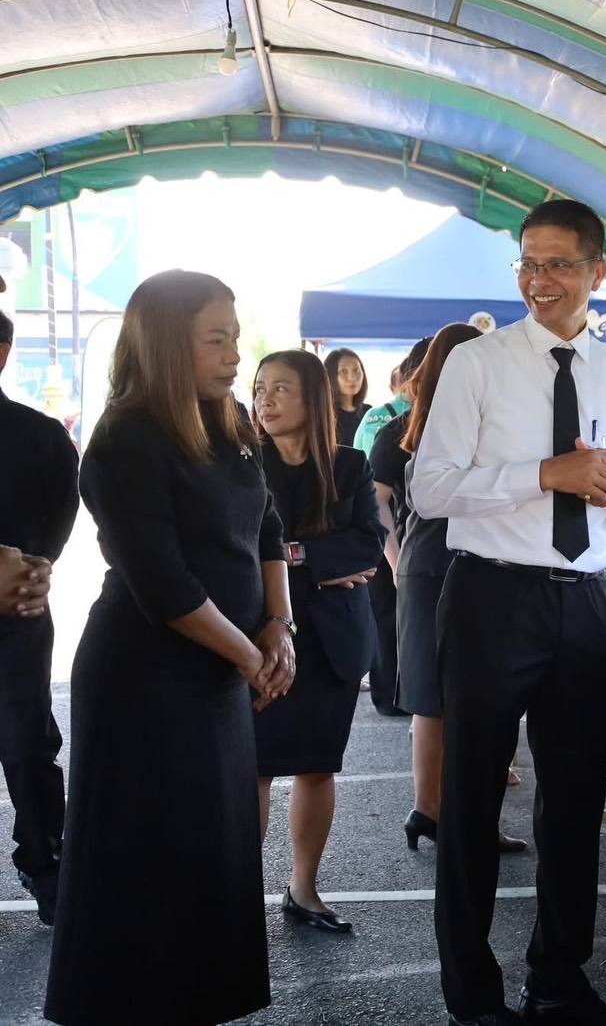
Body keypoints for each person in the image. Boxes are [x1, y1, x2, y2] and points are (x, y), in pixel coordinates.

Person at [409, 200, 606, 1026]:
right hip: (491, 596)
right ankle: (472, 996)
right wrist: (543, 473)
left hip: (585, 601)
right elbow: (431, 488)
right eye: (528, 263)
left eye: (558, 265)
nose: (539, 280)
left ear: (597, 275)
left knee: (574, 801)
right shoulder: (478, 363)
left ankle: (559, 978)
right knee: (473, 799)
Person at [46, 270, 294, 1025]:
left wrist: (278, 627)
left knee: (211, 860)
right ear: (163, 344)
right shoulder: (125, 436)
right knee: (144, 866)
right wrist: (251, 656)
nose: (233, 354)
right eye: (214, 339)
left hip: (219, 675)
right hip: (145, 682)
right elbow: (165, 585)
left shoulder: (230, 425)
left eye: (235, 337)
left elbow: (267, 532)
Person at [368, 323, 528, 855]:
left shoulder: (404, 428)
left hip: (421, 563)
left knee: (431, 701)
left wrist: (395, 561)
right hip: (462, 564)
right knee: (469, 699)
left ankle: (431, 811)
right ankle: (461, 820)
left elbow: (382, 506)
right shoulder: (479, 426)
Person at [251, 350, 386, 934]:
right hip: (258, 637)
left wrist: (288, 555)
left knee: (315, 766)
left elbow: (369, 547)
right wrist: (311, 558)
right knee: (253, 768)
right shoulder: (242, 466)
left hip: (332, 641)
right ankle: (237, 892)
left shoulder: (350, 465)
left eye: (281, 388)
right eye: (260, 388)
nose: (265, 398)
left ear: (313, 398)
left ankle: (303, 890)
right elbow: (238, 547)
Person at [0, 308, 77, 924]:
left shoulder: (43, 435)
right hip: (21, 607)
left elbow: (61, 512)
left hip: (20, 616)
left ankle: (44, 857)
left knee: (27, 743)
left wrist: (37, 568)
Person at [358, 336, 433, 717]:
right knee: (401, 635)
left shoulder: (483, 426)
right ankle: (396, 699)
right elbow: (377, 500)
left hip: (467, 559)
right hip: (410, 553)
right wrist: (395, 560)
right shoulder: (395, 430)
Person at [324, 347, 371, 447]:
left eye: (356, 370)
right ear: (330, 375)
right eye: (343, 371)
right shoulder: (324, 414)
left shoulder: (369, 413)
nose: (352, 377)